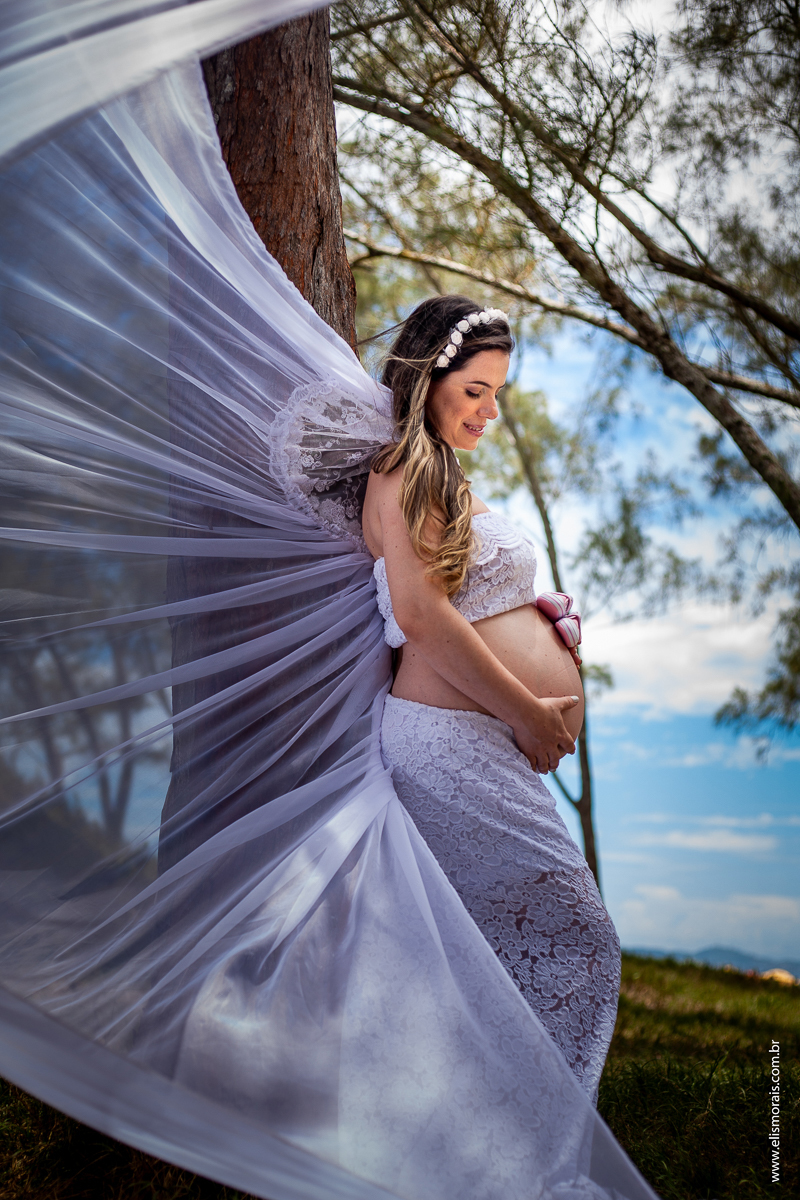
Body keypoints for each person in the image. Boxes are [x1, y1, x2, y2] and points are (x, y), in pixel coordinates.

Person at [361, 295, 621, 1101]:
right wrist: (530, 711)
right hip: (449, 742)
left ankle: (488, 1135)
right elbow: (421, 618)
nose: (490, 409)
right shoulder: (406, 469)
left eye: (498, 392)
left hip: (467, 741)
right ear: (427, 377)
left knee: (486, 952)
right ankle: (516, 1153)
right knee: (581, 942)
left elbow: (459, 599)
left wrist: (541, 616)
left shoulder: (440, 472)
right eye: (475, 389)